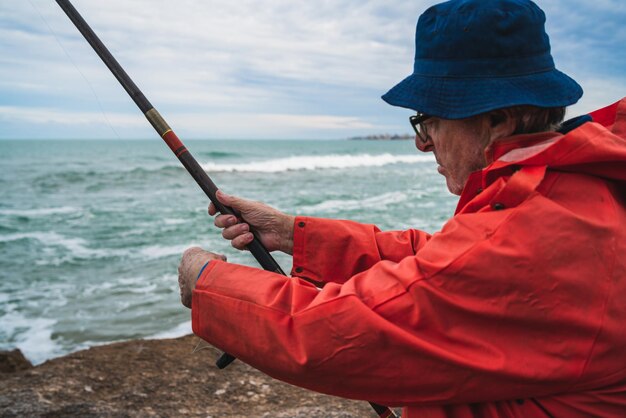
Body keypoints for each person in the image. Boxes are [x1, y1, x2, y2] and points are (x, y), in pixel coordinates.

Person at [178, 0, 626, 416]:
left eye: (428, 118)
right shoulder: (574, 186)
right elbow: (441, 265)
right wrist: (294, 234)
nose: (420, 142)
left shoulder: (529, 228)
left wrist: (207, 283)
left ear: (496, 119)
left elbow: (330, 333)